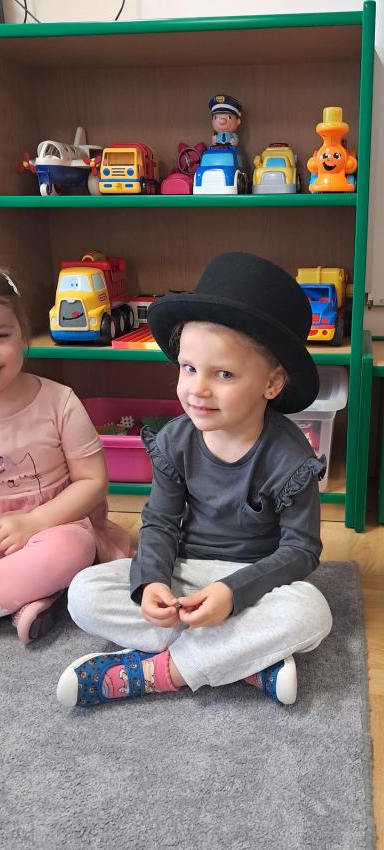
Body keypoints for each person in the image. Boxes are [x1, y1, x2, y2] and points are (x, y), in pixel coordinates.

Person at [57, 251, 333, 710]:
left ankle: (161, 671)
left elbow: (301, 551)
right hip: (187, 574)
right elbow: (160, 522)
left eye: (223, 374)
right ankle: (245, 661)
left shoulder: (291, 458)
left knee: (312, 612)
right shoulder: (175, 441)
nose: (198, 389)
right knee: (84, 593)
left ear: (271, 383)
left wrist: (232, 593)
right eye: (188, 368)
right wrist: (152, 584)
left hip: (254, 584)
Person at [0, 255, 131, 674]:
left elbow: (93, 482)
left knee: (71, 550)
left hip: (54, 526)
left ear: (22, 332)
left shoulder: (59, 402)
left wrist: (33, 522)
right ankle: (22, 597)